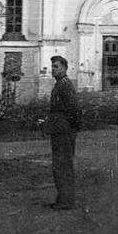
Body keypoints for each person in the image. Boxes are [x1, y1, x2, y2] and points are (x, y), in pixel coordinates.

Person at [47, 55, 81, 210]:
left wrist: (70, 129)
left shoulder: (65, 85)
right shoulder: (60, 84)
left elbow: (74, 109)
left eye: (56, 66)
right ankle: (63, 198)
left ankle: (66, 201)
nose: (53, 70)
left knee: (63, 165)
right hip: (59, 130)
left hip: (64, 131)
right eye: (52, 66)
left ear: (65, 68)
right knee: (60, 164)